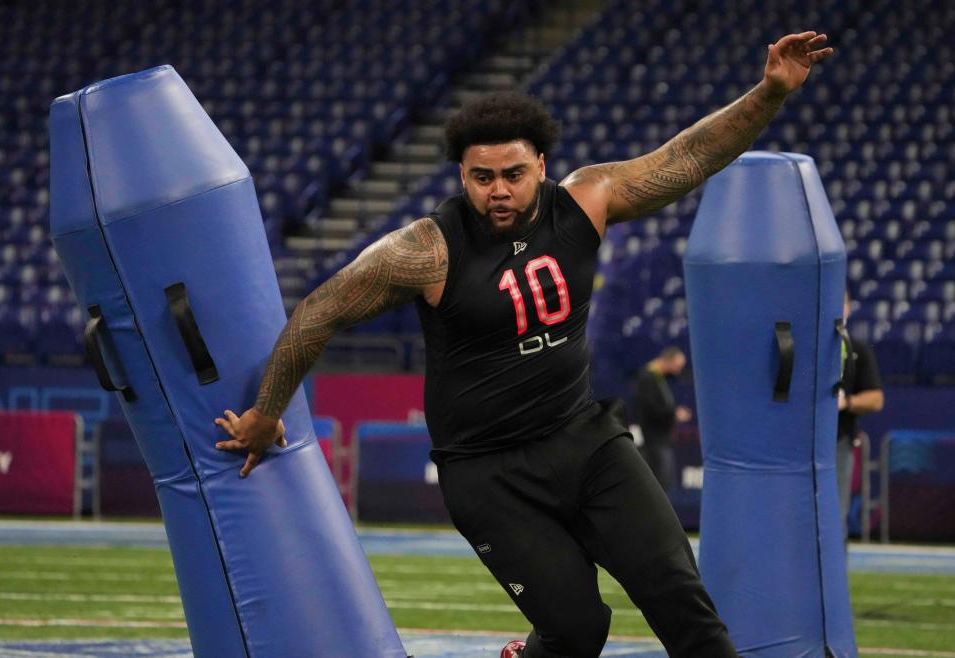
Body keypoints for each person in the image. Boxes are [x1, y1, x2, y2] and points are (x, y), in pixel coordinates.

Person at [213, 31, 833, 658]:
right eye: (482, 178)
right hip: (488, 475)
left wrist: (769, 93)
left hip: (585, 442)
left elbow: (690, 156)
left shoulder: (586, 201)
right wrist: (267, 414)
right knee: (577, 630)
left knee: (684, 603)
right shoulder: (426, 249)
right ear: (462, 175)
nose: (499, 191)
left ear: (541, 165)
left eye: (513, 174)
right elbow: (318, 313)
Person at [837, 289, 884, 542]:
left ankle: (833, 581)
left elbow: (876, 399)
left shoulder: (857, 350)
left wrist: (846, 402)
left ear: (848, 307)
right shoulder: (803, 346)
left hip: (838, 441)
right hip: (797, 446)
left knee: (835, 516)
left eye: (841, 302)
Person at [631, 346, 692, 494]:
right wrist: (674, 413)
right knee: (660, 482)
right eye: (676, 366)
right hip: (654, 439)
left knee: (664, 480)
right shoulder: (648, 377)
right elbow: (651, 408)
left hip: (661, 439)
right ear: (666, 361)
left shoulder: (658, 377)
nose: (677, 371)